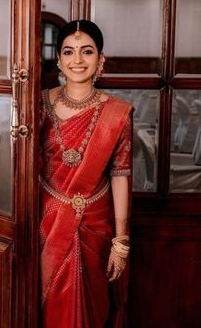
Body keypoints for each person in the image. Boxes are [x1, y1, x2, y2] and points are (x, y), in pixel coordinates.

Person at [39, 19, 133, 328]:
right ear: (59, 59)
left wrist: (120, 240)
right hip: (45, 221)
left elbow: (120, 174)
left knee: (94, 305)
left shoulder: (117, 113)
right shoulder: (38, 103)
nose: (77, 60)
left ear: (100, 59)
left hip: (97, 222)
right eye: (69, 51)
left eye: (87, 51)